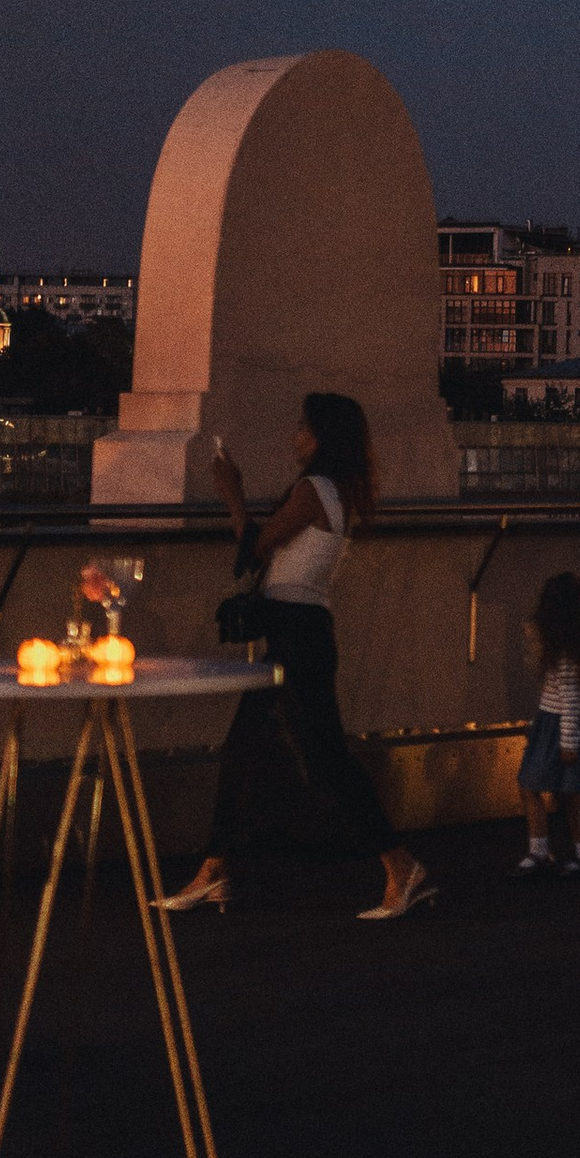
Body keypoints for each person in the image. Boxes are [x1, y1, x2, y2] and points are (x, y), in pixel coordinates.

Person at [159, 392, 435, 922]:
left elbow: (254, 548)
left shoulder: (314, 490)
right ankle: (212, 869)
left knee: (325, 758)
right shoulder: (336, 491)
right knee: (244, 750)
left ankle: (400, 865)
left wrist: (231, 493)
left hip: (297, 635)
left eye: (303, 429)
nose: (295, 436)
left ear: (324, 437)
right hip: (301, 631)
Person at [516, 571, 580, 877]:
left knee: (530, 786)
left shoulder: (564, 655)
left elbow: (569, 701)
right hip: (570, 724)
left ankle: (539, 852)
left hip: (561, 726)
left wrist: (567, 743)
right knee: (574, 796)